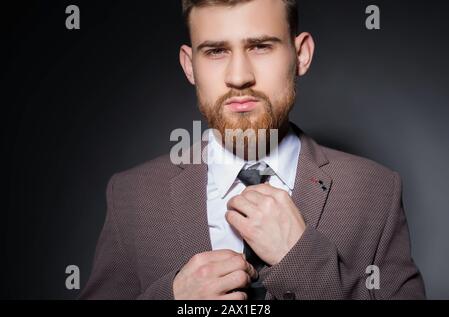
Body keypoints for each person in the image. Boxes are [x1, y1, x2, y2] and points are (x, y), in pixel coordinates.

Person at [80, 0, 426, 300]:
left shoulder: (375, 191)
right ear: (189, 66)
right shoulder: (131, 196)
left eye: (260, 46)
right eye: (216, 51)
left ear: (301, 54)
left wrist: (301, 258)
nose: (239, 76)